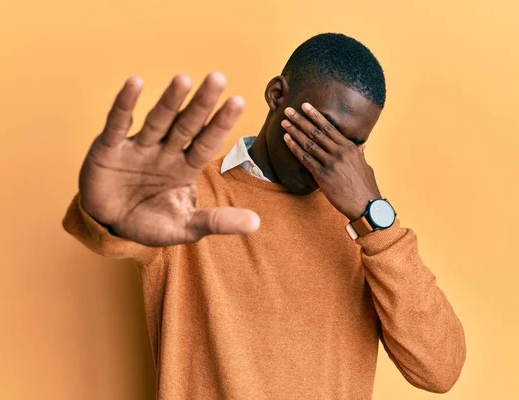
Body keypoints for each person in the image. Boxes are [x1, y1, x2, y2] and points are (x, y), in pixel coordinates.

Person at [63, 33, 466, 399]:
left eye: (352, 146)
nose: (328, 158)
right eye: (319, 130)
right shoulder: (188, 195)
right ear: (277, 95)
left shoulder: (366, 231)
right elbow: (108, 232)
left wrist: (374, 218)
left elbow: (439, 369)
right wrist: (108, 210)